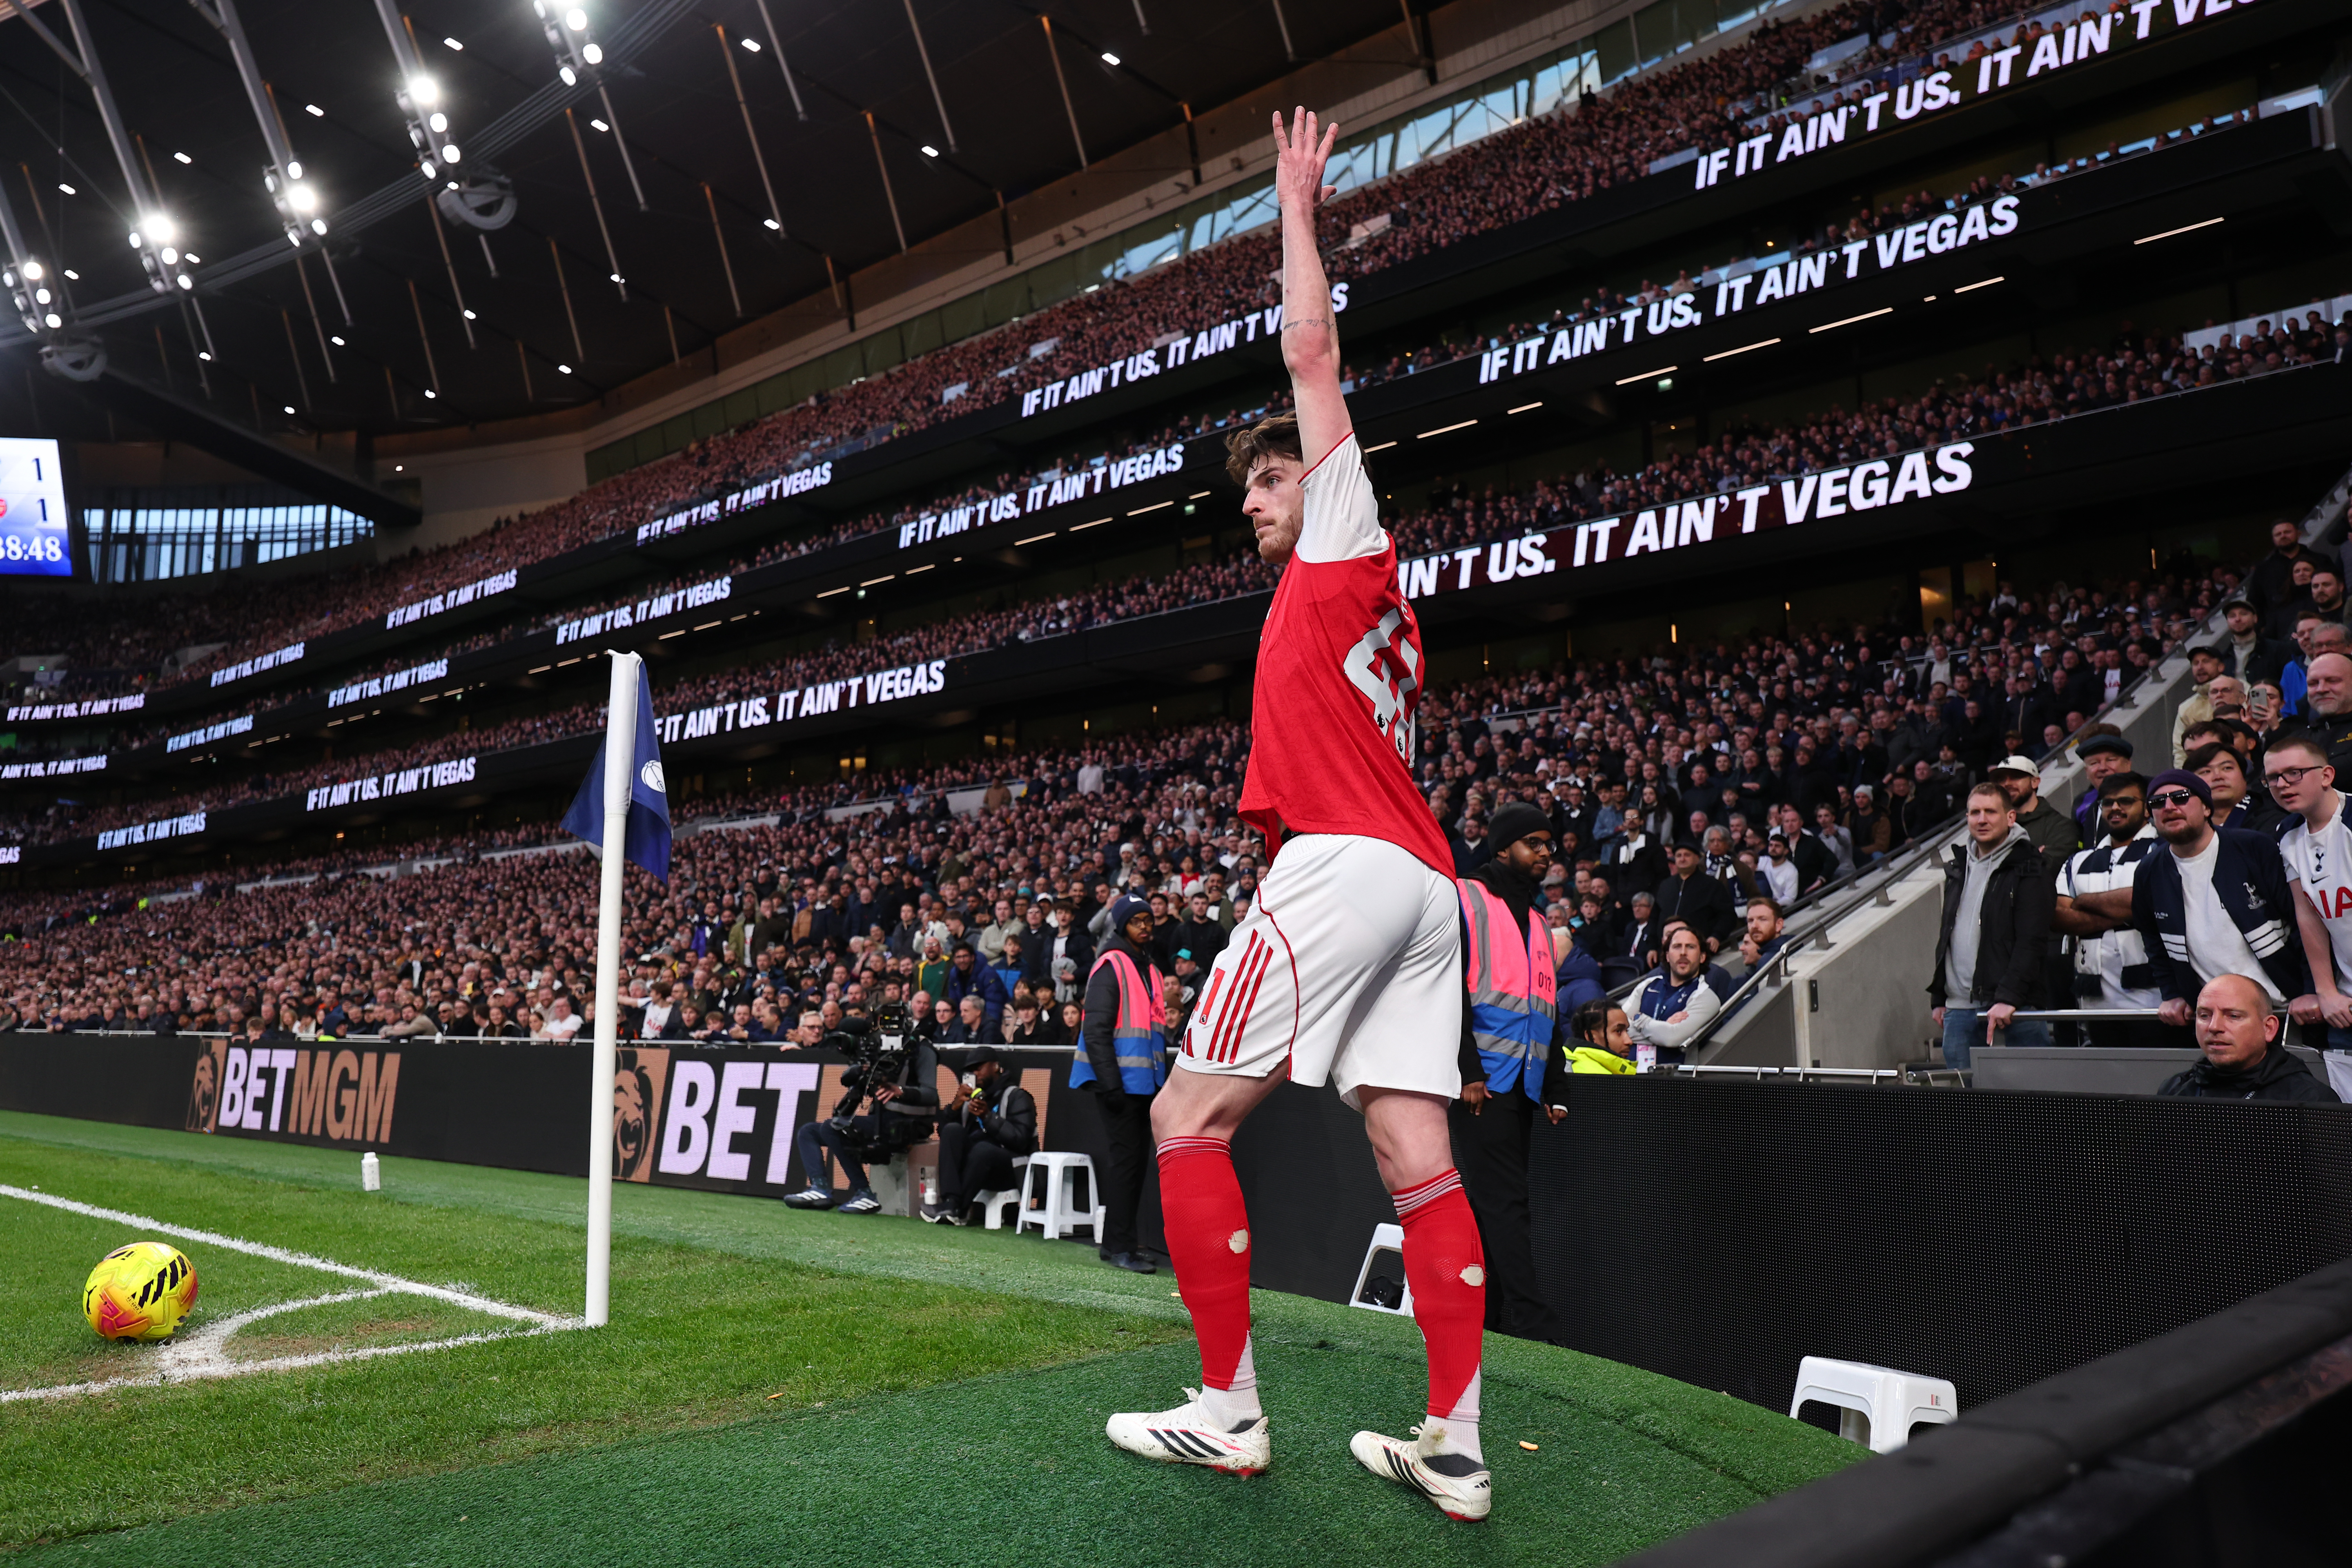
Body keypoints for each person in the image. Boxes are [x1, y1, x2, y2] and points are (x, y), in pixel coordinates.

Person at [1106, 110, 1492, 1521]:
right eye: (1250, 487)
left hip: (1338, 866)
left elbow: (1311, 357)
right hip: (1417, 884)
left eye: (1268, 476)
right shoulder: (1360, 607)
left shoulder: (1344, 531)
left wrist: (1294, 204)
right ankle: (1453, 1435)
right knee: (1415, 1157)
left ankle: (1227, 1409)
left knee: (1185, 1118)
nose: (1254, 499)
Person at [2072, 770, 2308, 1036]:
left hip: (2285, 1007)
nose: (2169, 807)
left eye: (2181, 797)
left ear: (2207, 807)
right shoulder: (2150, 870)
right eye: (2158, 803)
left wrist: (2312, 990)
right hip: (2212, 1020)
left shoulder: (2254, 847)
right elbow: (2153, 940)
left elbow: (2303, 920)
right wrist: (2172, 994)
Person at [1450, 802, 1563, 1344]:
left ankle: (1490, 1318)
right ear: (1502, 848)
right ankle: (1532, 1324)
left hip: (1523, 1085)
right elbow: (1445, 991)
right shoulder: (1467, 897)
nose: (1546, 853)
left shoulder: (1540, 921)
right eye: (1534, 843)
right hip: (1481, 1083)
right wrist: (1467, 1067)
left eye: (1550, 845)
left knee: (1493, 1205)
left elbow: (1548, 1008)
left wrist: (1555, 1086)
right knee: (1506, 1203)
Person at [1927, 782, 2055, 1071]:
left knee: (2035, 1100)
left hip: (2015, 1006)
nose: (1982, 820)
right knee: (1968, 1109)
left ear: (2011, 818)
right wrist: (1940, 995)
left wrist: (2009, 997)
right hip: (1959, 1008)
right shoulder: (1958, 867)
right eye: (1975, 813)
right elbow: (1948, 934)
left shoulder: (2031, 867)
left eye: (1990, 812)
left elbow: (2032, 940)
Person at [1076, 895, 1168, 1275]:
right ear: (1121, 926)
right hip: (1118, 1084)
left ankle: (1117, 1244)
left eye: (1149, 919)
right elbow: (1095, 1029)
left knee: (1130, 1165)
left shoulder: (1147, 967)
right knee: (1125, 1166)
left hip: (1142, 1084)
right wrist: (1111, 1084)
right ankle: (1120, 1247)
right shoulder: (1111, 965)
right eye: (1137, 921)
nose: (1146, 925)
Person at [2261, 734, 2352, 1100]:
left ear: (2327, 775)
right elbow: (2309, 914)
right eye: (2273, 778)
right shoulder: (2287, 835)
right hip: (2344, 1002)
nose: (2282, 785)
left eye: (2294, 773)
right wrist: (2325, 990)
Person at [780, 1011, 941, 1214]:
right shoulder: (877, 1052)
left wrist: (900, 1091)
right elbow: (848, 1081)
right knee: (809, 1132)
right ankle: (820, 1189)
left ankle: (865, 1193)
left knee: (833, 1129)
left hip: (908, 1124)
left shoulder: (921, 1048)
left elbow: (931, 1095)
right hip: (880, 1120)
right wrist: (863, 1071)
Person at [2053, 772, 2164, 1047]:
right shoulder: (2078, 860)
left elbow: (2147, 902)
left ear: (2147, 808)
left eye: (2126, 801)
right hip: (2096, 1000)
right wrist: (2129, 914)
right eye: (2108, 803)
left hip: (2155, 998)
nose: (2115, 808)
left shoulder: (2163, 850)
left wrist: (2083, 901)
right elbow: (2060, 916)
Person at [2155, 974, 2339, 1102]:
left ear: (2268, 1028)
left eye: (2233, 1016)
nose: (2214, 1027)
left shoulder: (2309, 1099)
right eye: (2204, 1016)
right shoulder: (2174, 1090)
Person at [922, 1047, 1038, 1225]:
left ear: (995, 1066)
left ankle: (958, 1210)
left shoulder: (1017, 1096)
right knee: (953, 1131)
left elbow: (1020, 1140)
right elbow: (945, 1136)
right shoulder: (971, 1099)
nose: (975, 1073)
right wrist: (955, 1106)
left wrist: (988, 1117)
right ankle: (950, 1203)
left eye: (979, 1068)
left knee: (983, 1150)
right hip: (976, 1169)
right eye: (971, 1071)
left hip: (1011, 1169)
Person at [1624, 926, 1720, 1066]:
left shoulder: (1706, 997)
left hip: (1674, 1082)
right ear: (1668, 956)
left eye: (1690, 947)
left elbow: (1671, 1038)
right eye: (1677, 947)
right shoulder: (1647, 985)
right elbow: (1618, 1030)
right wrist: (1664, 1027)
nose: (1683, 953)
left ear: (1702, 957)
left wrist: (1639, 1019)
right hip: (1630, 1074)